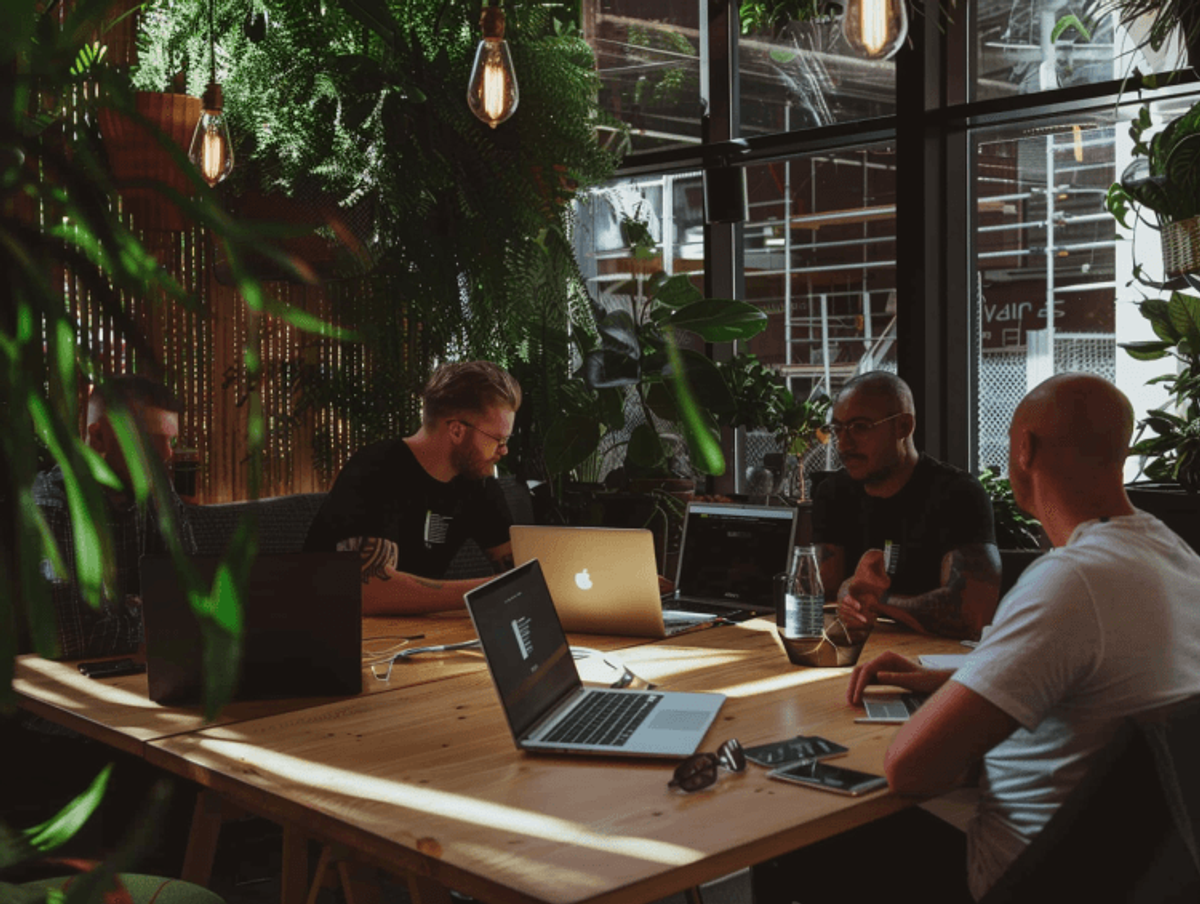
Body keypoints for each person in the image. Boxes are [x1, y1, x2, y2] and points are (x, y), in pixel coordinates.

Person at [837, 373, 1200, 900]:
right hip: (1133, 872)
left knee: (821, 837)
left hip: (1025, 877)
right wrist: (951, 677)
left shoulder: (1072, 579)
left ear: (1024, 449)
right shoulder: (1175, 556)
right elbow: (1094, 675)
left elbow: (910, 769)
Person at [303, 360, 521, 615]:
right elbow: (369, 590)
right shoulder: (377, 468)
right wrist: (489, 591)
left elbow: (516, 572)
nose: (504, 450)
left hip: (408, 629)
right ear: (456, 431)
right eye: (498, 439)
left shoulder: (477, 481)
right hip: (328, 625)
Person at [812, 371, 1001, 641]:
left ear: (903, 426)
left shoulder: (958, 494)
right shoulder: (833, 493)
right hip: (856, 649)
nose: (843, 443)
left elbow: (972, 616)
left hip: (934, 657)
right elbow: (819, 595)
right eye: (838, 429)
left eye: (860, 427)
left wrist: (876, 600)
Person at [33, 374, 197, 660]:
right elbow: (73, 638)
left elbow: (192, 605)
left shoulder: (158, 492)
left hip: (145, 674)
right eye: (148, 440)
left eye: (170, 440)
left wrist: (119, 612)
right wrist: (149, 613)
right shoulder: (54, 505)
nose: (166, 454)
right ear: (98, 437)